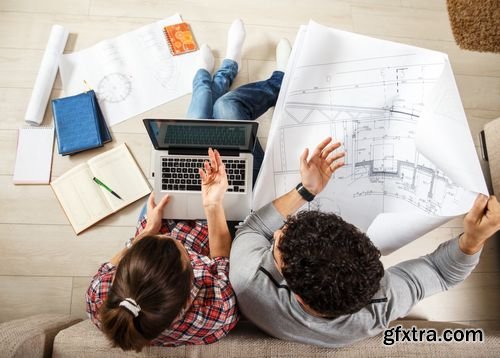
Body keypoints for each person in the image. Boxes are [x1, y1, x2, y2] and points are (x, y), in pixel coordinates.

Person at [85, 19, 291, 351]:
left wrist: (147, 232)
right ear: (189, 285)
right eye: (177, 247)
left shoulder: (103, 301)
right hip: (220, 224)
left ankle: (217, 74)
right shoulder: (216, 313)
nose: (171, 234)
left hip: (158, 217)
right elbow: (221, 258)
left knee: (192, 126)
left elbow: (121, 259)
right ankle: (271, 78)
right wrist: (212, 204)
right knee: (225, 110)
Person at [229, 136, 500, 348]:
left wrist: (306, 190)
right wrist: (474, 238)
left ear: (296, 294)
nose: (276, 234)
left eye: (277, 248)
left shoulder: (248, 278)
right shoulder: (377, 310)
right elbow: (440, 272)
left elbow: (253, 228)